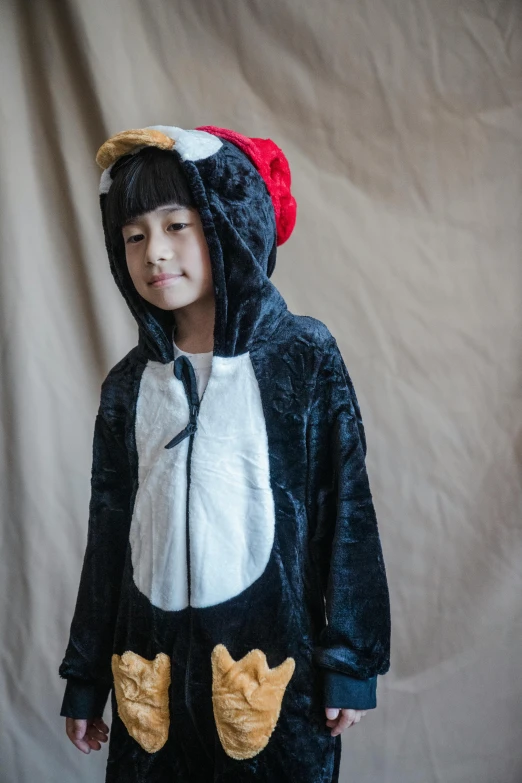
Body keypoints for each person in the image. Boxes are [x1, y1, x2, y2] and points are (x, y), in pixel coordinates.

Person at [58, 124, 391, 783]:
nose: (156, 252)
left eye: (177, 225)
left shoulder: (302, 356)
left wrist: (350, 661)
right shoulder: (128, 387)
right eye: (134, 235)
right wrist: (87, 676)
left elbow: (344, 505)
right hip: (148, 676)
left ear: (229, 221)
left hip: (269, 675)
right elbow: (107, 537)